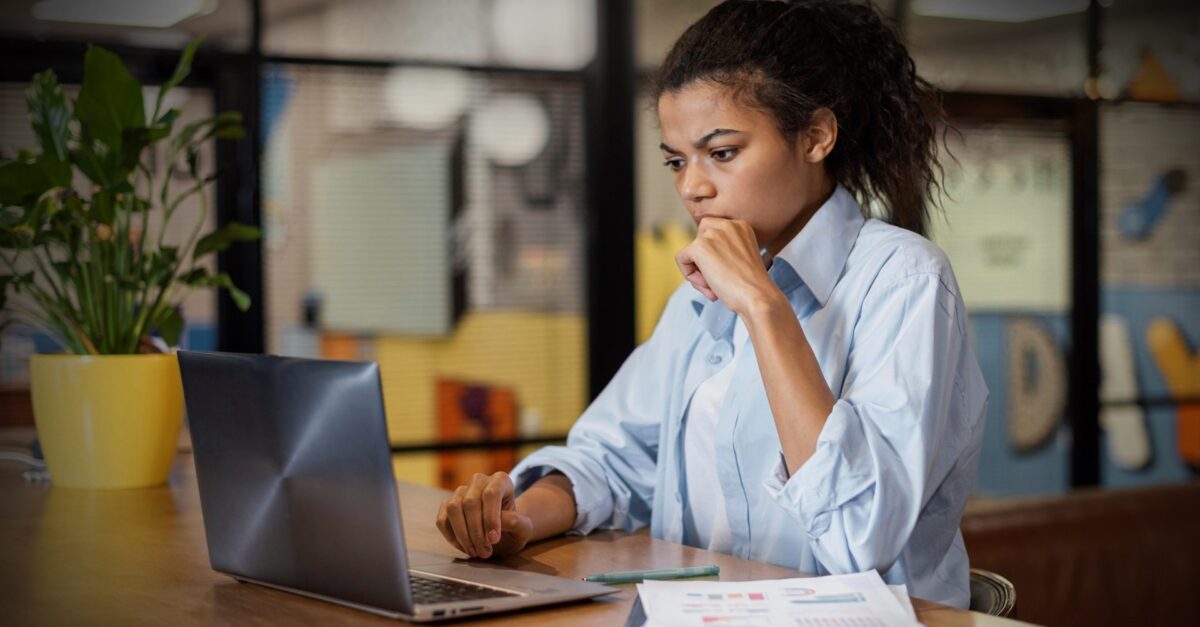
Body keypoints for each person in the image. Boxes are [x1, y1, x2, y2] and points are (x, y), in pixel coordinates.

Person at [435, 0, 987, 608]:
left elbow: (860, 533)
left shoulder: (904, 280)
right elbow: (613, 456)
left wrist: (761, 303)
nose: (692, 187)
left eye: (721, 152)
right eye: (677, 160)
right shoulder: (697, 300)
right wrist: (518, 521)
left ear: (816, 137)